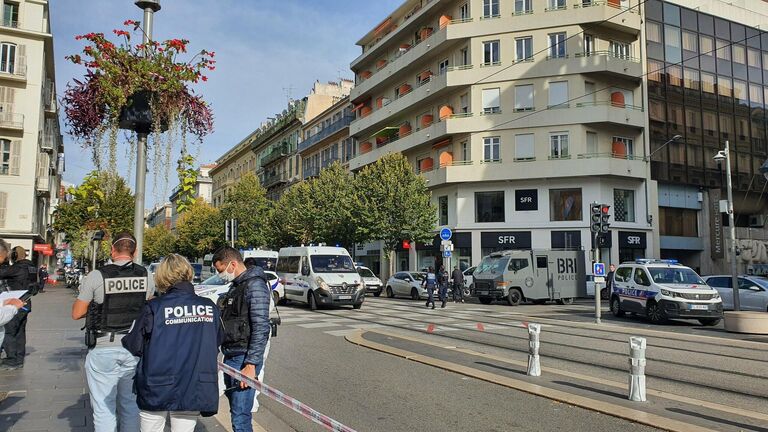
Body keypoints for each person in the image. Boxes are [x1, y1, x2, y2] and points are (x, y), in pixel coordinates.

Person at [122, 254, 223, 432]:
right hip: (193, 384)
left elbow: (133, 345)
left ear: (162, 276)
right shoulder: (209, 307)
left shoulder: (154, 307)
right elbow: (218, 340)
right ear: (188, 273)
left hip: (156, 383)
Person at [71, 232, 155, 432]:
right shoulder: (145, 275)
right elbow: (148, 308)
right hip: (134, 349)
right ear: (134, 252)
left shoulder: (97, 275)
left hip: (103, 347)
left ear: (112, 250)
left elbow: (77, 313)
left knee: (103, 407)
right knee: (130, 404)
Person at [213, 247, 271, 432]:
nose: (219, 274)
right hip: (231, 355)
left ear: (233, 264)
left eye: (220, 270)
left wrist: (251, 364)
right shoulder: (237, 286)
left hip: (243, 358)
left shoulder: (254, 285)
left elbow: (261, 327)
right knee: (236, 413)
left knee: (240, 417)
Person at [0, 246, 37, 370]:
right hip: (26, 302)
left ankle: (12, 359)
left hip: (15, 302)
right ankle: (19, 358)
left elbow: (2, 274)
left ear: (15, 256)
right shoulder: (32, 267)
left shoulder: (17, 267)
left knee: (9, 331)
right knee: (21, 332)